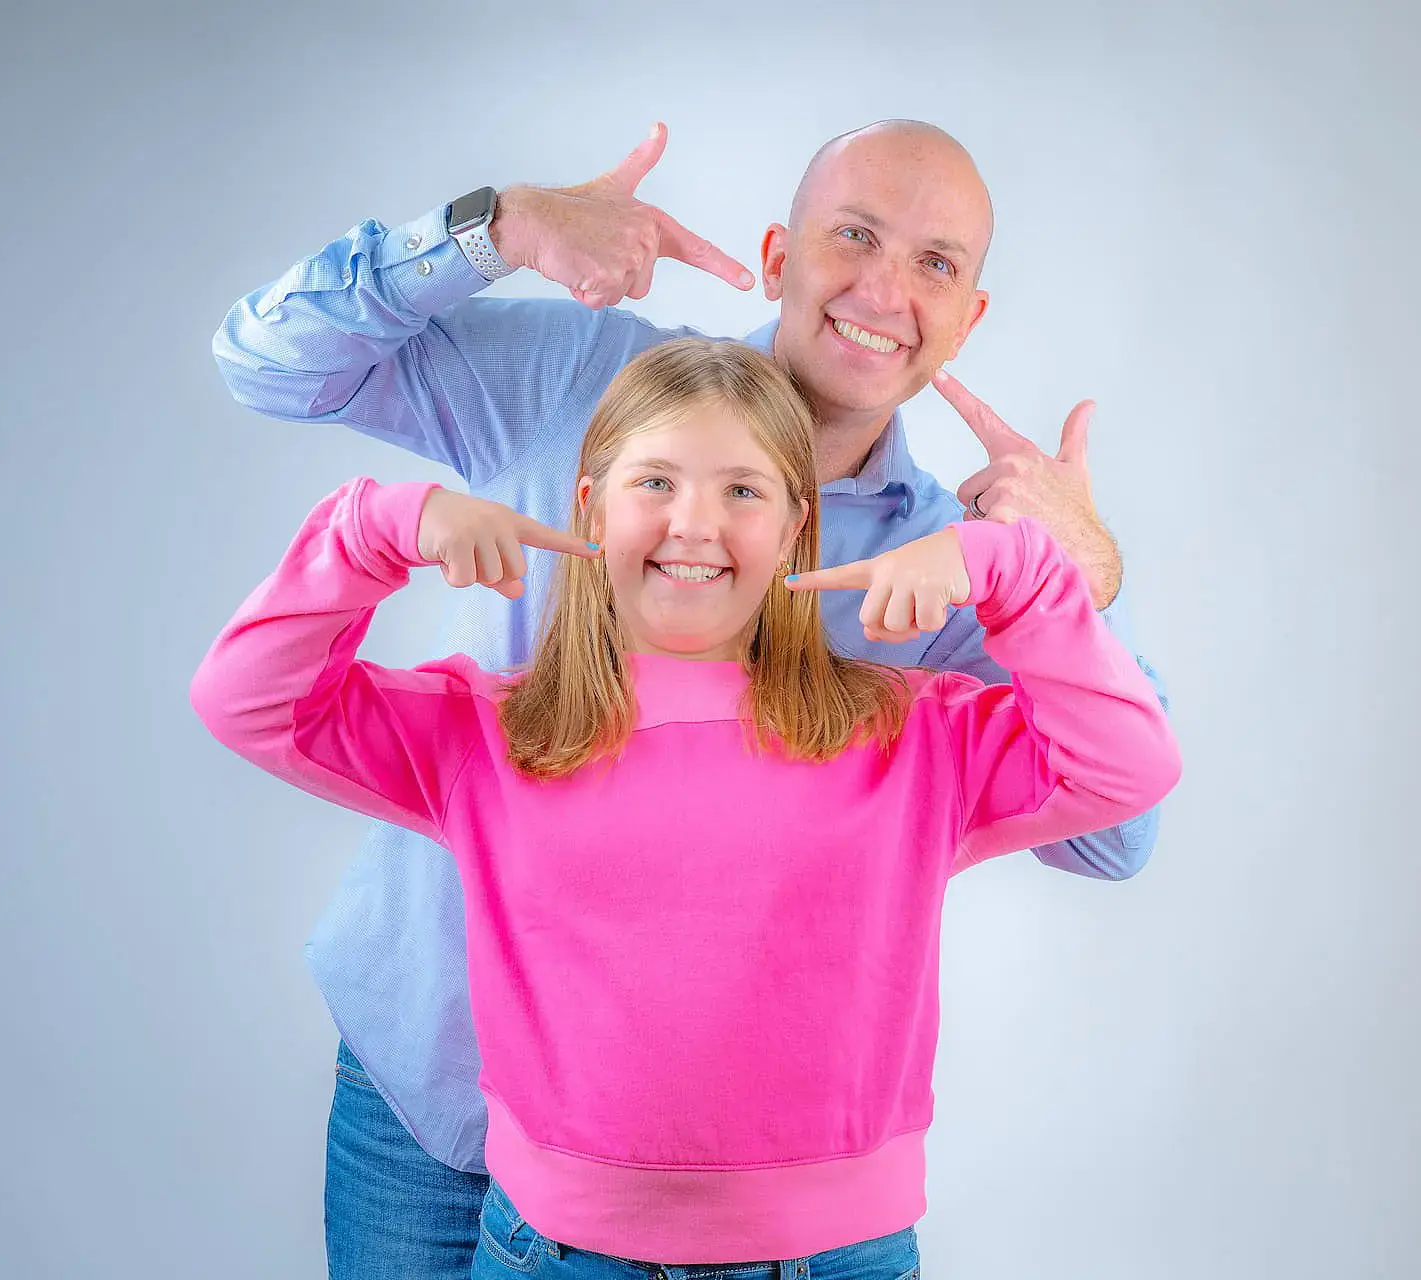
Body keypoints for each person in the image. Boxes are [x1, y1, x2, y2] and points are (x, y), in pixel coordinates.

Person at [212, 119, 1175, 1275]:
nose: (883, 286)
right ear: (777, 256)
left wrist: (1074, 582)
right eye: (853, 235)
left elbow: (1117, 826)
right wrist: (494, 228)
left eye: (936, 262)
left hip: (732, 1180)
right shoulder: (580, 377)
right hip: (424, 1072)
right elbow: (265, 360)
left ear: (970, 316)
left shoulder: (946, 570)